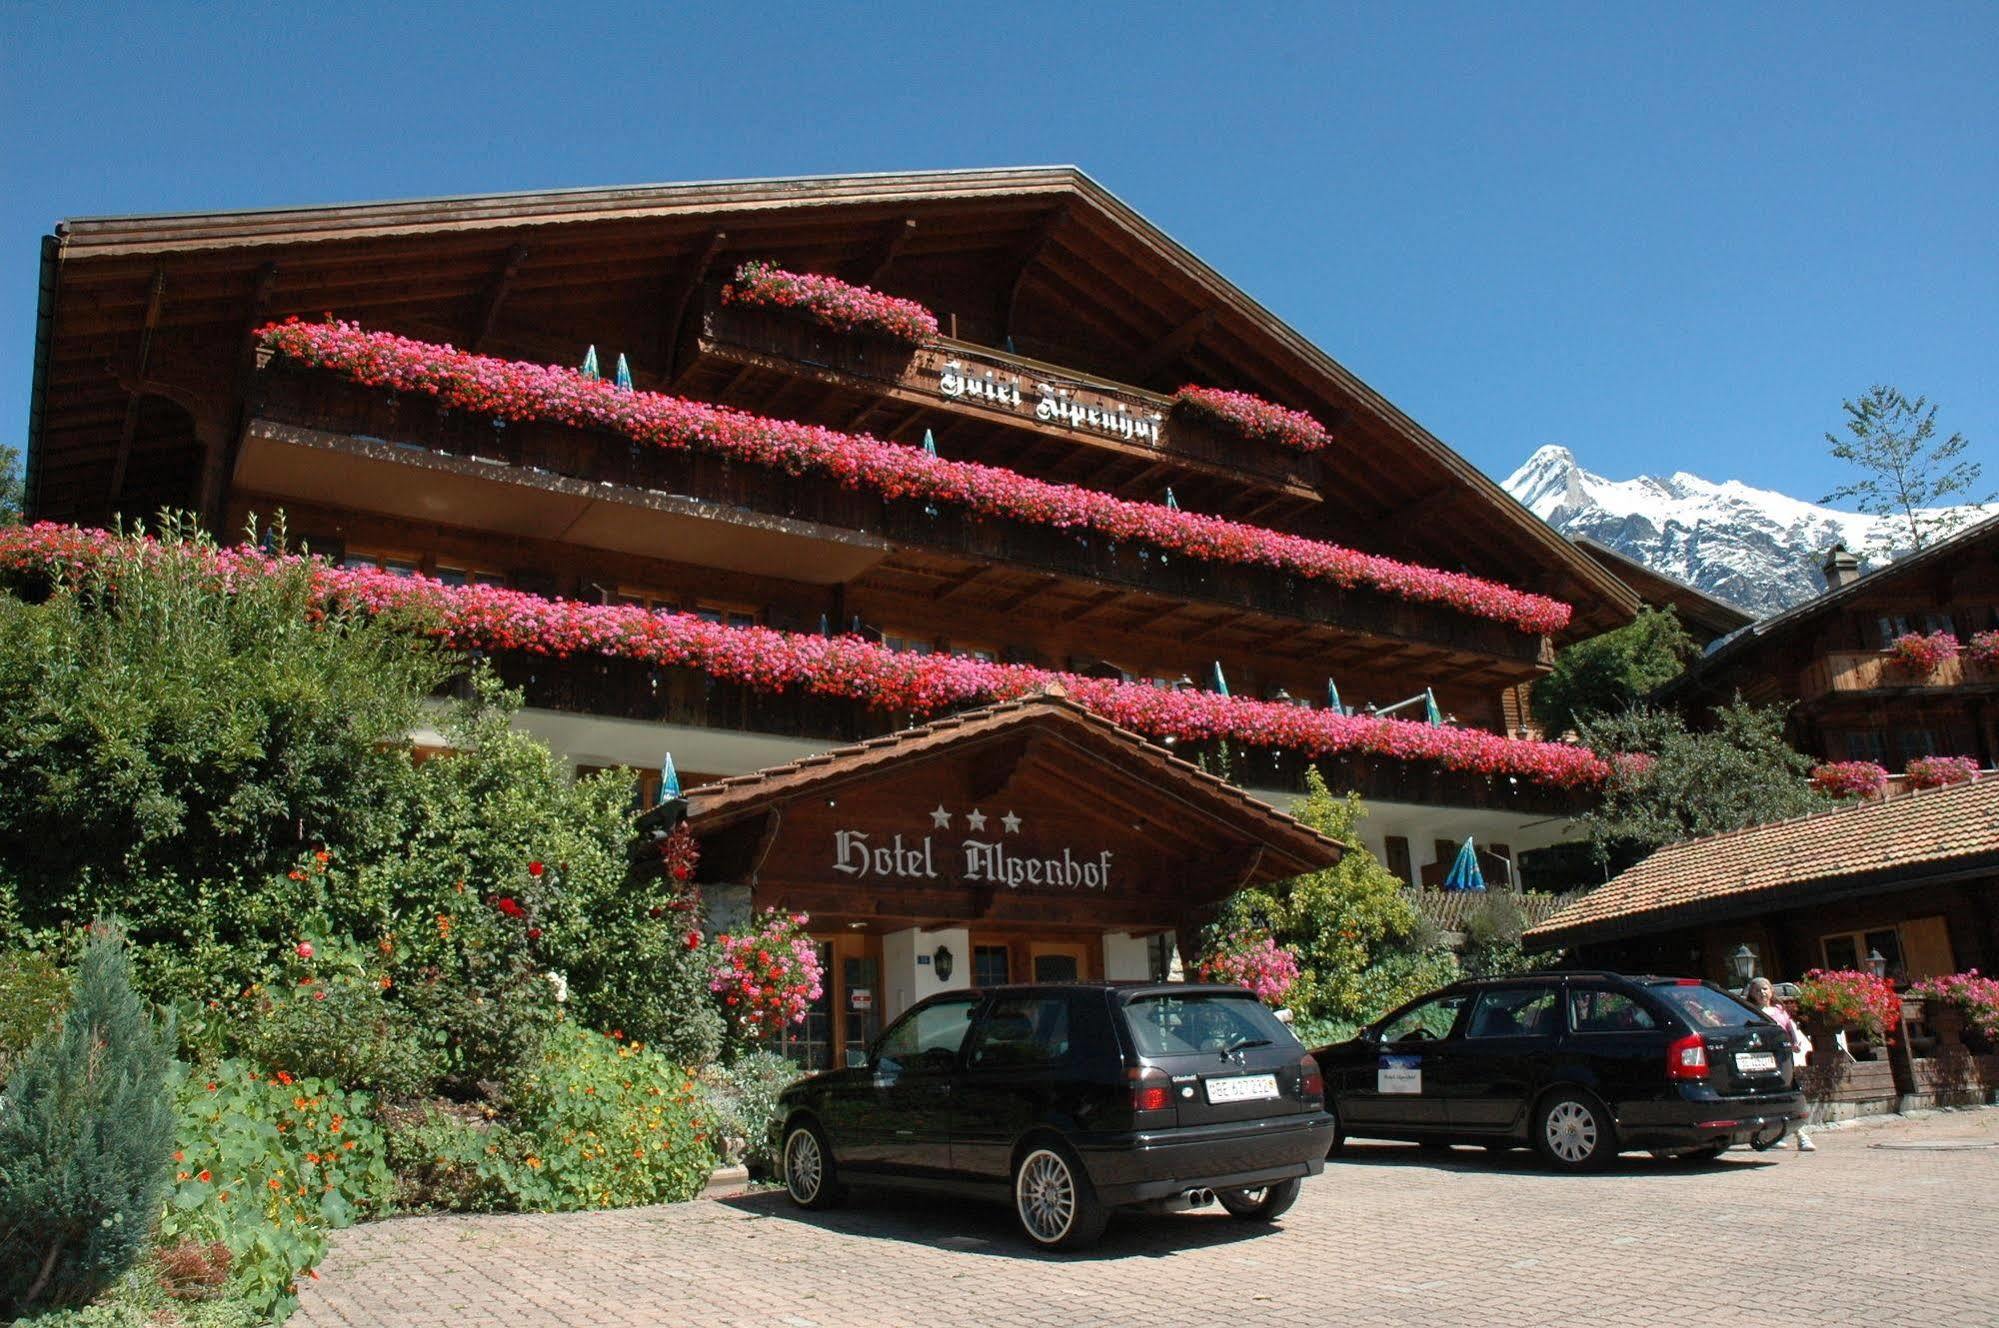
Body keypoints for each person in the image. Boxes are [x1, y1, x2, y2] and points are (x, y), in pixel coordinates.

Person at [1747, 977, 1816, 1152]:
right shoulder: (1751, 1012)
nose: (1762, 993)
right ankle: (1774, 1134)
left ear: (1771, 991)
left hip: (1783, 1059)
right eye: (1757, 990)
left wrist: (1795, 1042)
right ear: (1751, 994)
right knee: (1769, 1097)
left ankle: (1801, 1136)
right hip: (1763, 1061)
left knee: (1787, 1093)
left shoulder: (1779, 1010)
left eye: (1765, 989)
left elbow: (1790, 1028)